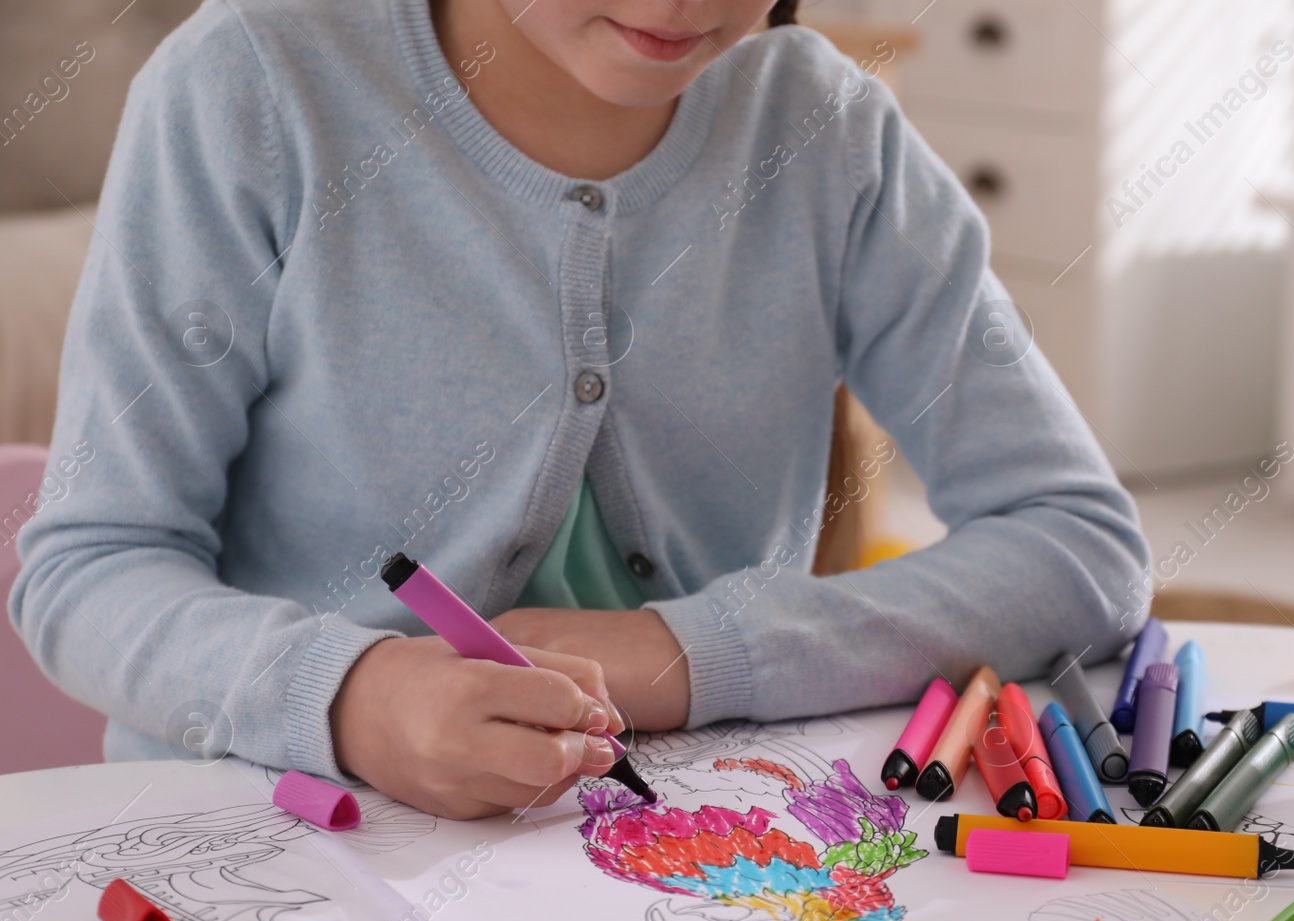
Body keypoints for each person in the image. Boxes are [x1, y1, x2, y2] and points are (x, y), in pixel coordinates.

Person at [10, 0, 1150, 819]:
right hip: (277, 854)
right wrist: (350, 695)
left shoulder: (827, 133)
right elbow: (89, 567)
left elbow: (1078, 545)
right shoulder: (250, 85)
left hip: (684, 864)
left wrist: (695, 653)